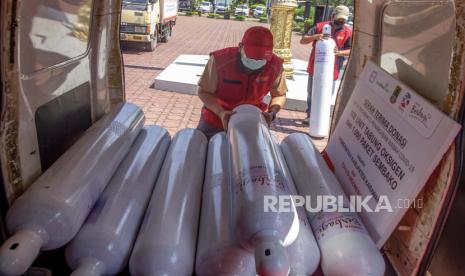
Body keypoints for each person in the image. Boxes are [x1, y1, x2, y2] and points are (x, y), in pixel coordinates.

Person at [196, 26, 288, 139]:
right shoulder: (220, 61)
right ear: (240, 47)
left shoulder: (275, 65)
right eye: (251, 58)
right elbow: (204, 91)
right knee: (201, 147)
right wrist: (221, 113)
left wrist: (271, 113)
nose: (255, 63)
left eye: (260, 60)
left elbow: (279, 94)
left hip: (251, 121)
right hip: (216, 119)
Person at [300, 5, 353, 125]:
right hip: (315, 67)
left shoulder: (347, 32)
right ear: (333, 15)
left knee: (327, 93)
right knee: (311, 92)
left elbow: (351, 50)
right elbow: (303, 40)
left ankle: (321, 116)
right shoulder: (320, 26)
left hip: (333, 70)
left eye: (343, 20)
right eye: (339, 18)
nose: (341, 21)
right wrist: (316, 36)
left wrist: (339, 52)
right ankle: (310, 115)